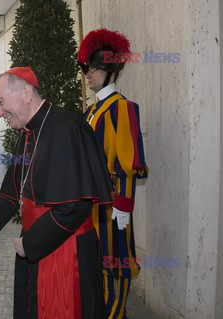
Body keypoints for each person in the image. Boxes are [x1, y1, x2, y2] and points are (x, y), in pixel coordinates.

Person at [0, 67, 113, 318]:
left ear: (27, 92)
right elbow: (9, 195)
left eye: (0, 102)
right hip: (36, 246)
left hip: (66, 251)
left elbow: (76, 206)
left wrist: (30, 243)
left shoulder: (67, 127)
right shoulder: (26, 134)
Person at [78, 29, 148, 319]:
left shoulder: (122, 108)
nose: (88, 75)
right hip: (89, 203)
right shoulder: (90, 112)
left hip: (112, 202)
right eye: (87, 69)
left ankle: (116, 314)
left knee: (116, 259)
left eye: (94, 69)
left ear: (110, 72)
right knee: (95, 260)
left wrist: (124, 206)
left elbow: (129, 162)